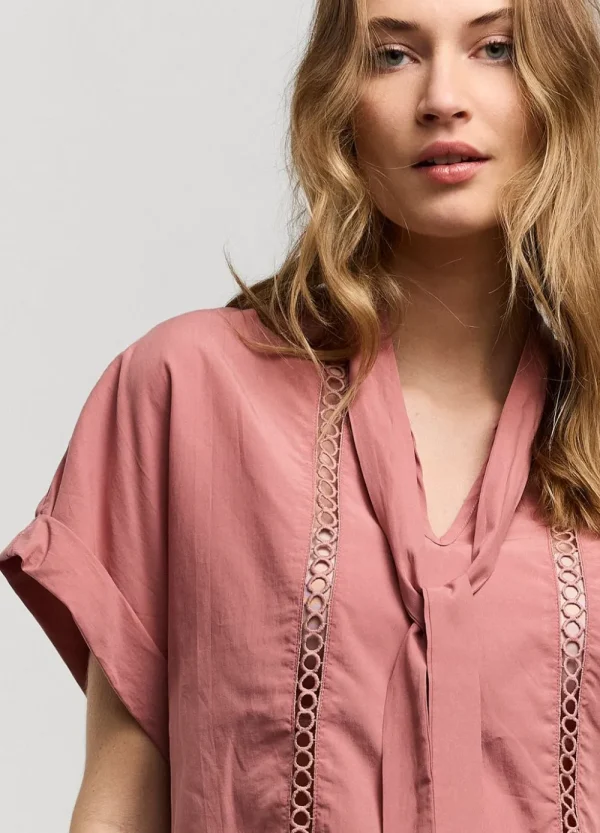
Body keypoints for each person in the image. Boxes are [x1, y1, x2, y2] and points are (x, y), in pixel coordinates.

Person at [2, 0, 600, 830]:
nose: (443, 98)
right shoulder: (186, 395)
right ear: (338, 97)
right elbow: (120, 803)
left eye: (495, 48)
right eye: (393, 55)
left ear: (562, 81)